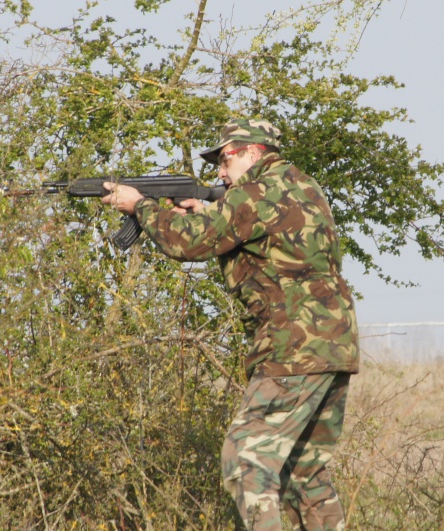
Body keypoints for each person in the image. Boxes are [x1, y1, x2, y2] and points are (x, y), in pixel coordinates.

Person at [101, 118, 359, 530]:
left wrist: (140, 206)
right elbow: (262, 235)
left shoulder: (254, 193)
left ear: (253, 152)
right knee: (303, 475)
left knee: (245, 458)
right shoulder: (303, 186)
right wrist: (207, 209)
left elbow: (188, 242)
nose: (220, 171)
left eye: (225, 159)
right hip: (333, 344)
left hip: (293, 346)